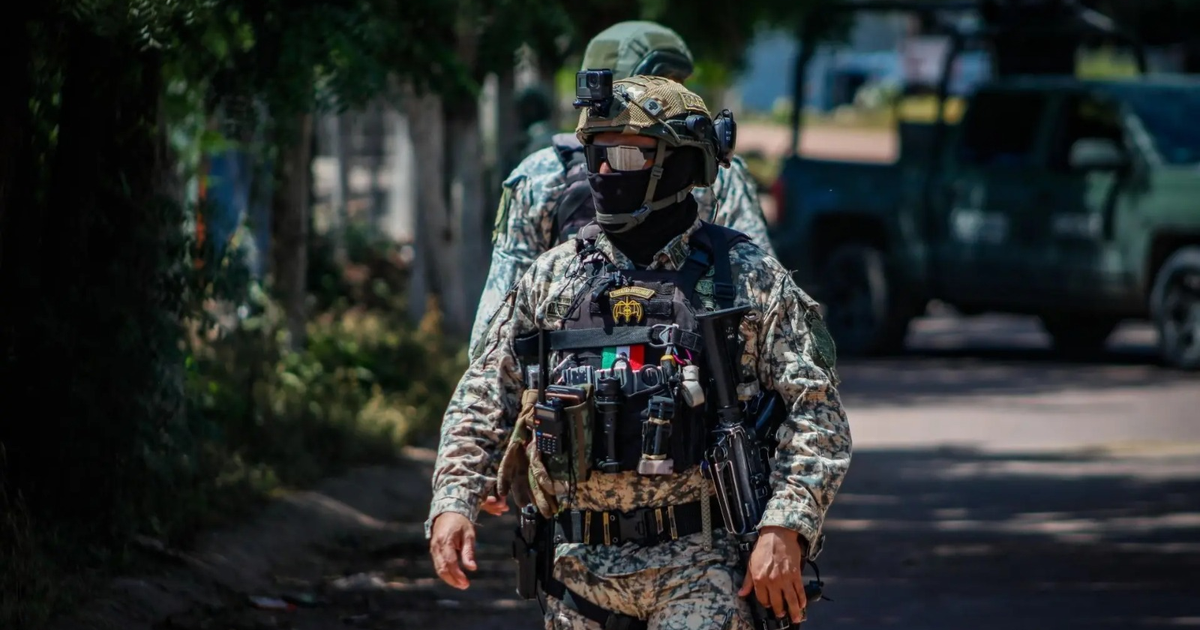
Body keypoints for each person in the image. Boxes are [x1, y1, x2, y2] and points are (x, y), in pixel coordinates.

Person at [427, 75, 851, 630]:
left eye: (626, 155)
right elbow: (486, 393)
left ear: (681, 163)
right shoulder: (553, 278)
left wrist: (785, 526)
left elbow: (817, 415)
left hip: (703, 570)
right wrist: (454, 500)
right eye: (596, 154)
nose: (605, 171)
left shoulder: (746, 280)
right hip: (577, 577)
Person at [470, 20, 777, 359]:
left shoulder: (537, 176)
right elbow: (755, 290)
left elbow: (491, 328)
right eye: (668, 81)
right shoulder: (714, 169)